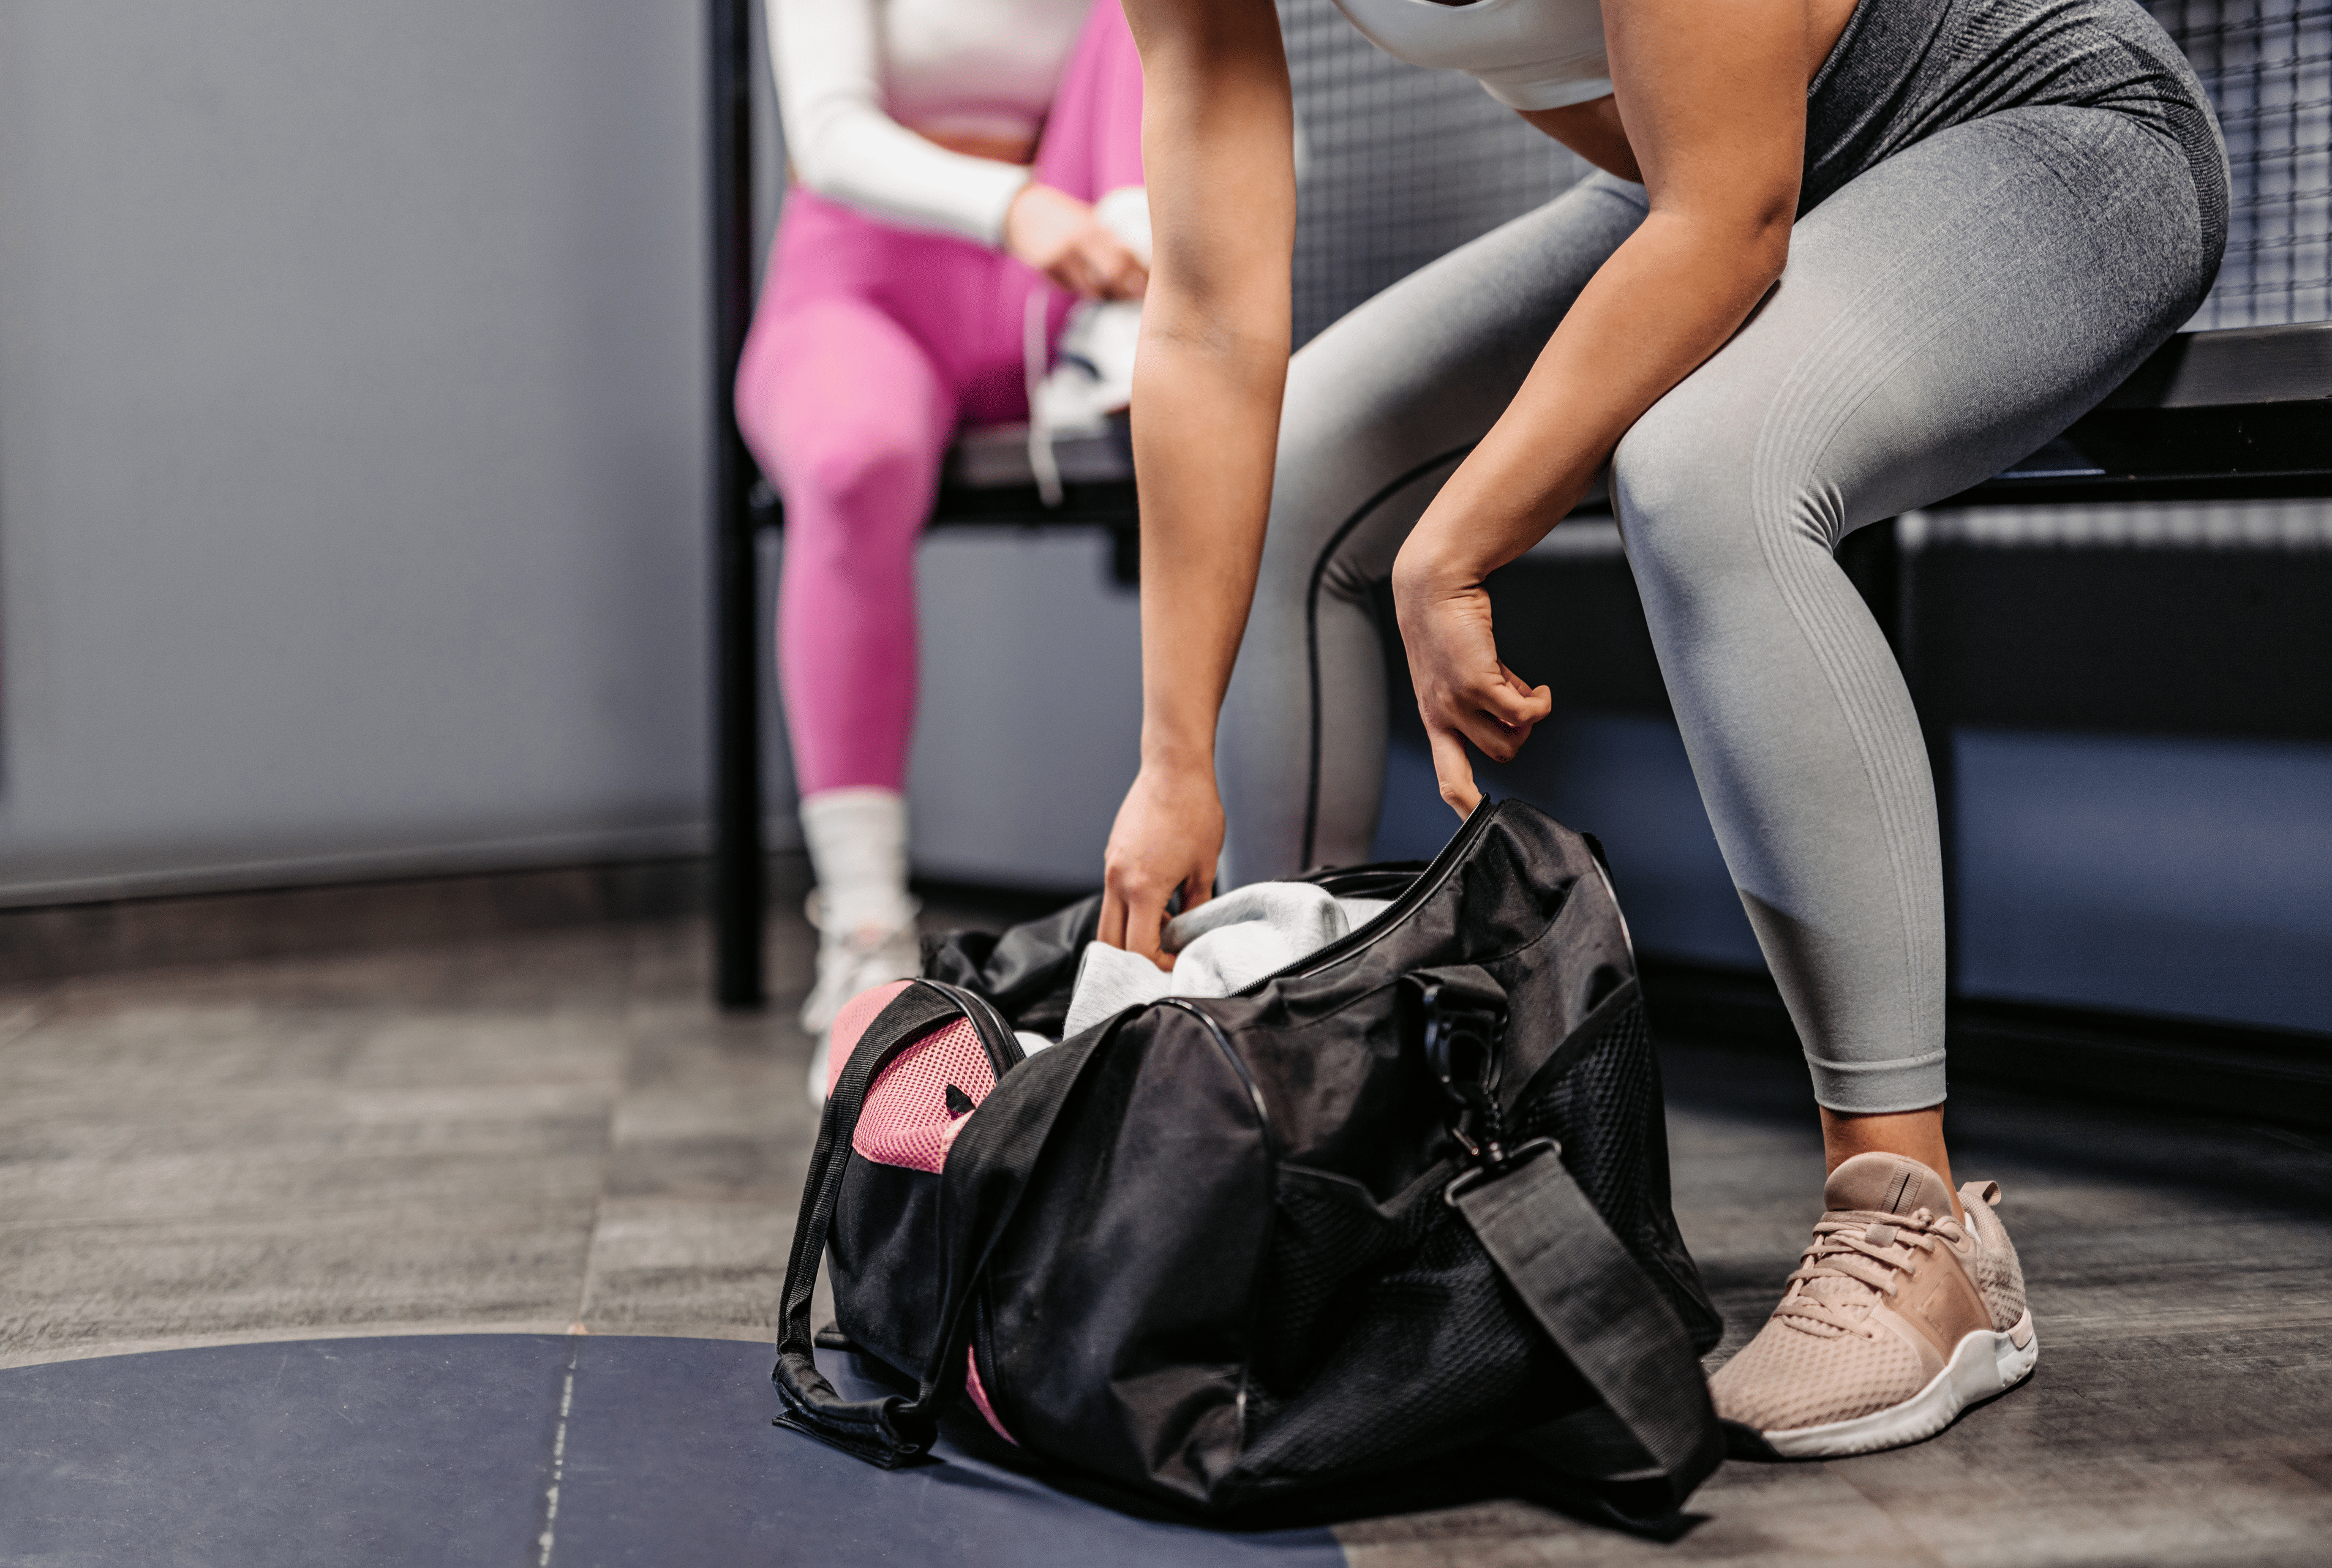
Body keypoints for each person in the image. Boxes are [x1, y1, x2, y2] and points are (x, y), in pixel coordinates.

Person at [1099, 0, 2222, 1455]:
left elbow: (1731, 219)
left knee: (1704, 470)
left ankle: (1918, 1224)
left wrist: (1455, 546)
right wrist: (1170, 757)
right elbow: (1208, 315)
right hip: (1690, 183)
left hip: (2029, 123)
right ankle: (1304, 1125)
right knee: (1316, 445)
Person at [743, 0, 1149, 1104]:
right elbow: (828, 133)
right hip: (870, 279)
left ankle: (1226, 929)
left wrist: (1124, 245)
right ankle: (866, 931)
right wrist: (1014, 207)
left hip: (1078, 280)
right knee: (854, 461)